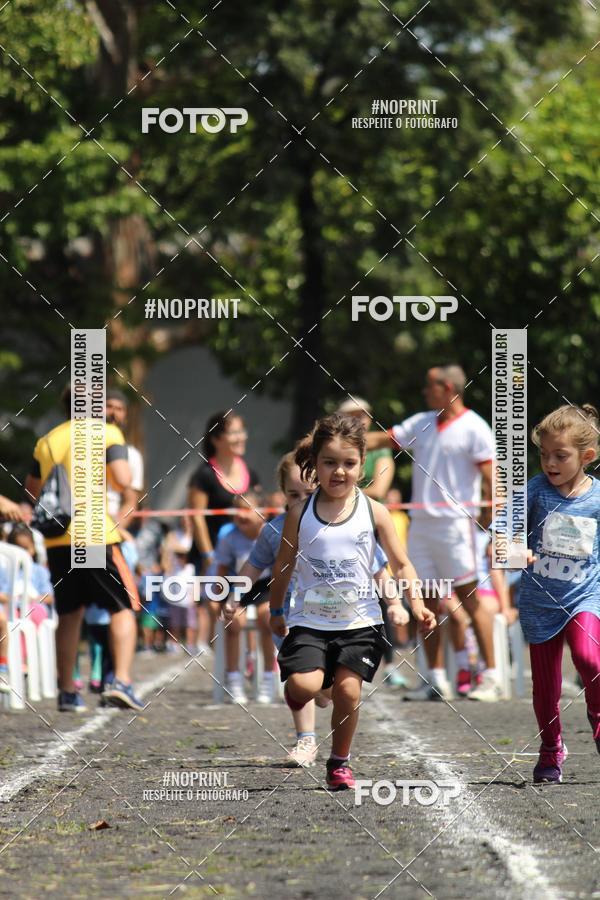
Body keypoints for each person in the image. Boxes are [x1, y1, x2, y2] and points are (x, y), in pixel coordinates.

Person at [269, 413, 435, 790]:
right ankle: (302, 690)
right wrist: (276, 610)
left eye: (349, 463)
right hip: (309, 622)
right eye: (329, 462)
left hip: (360, 623)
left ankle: (339, 762)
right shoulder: (299, 513)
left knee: (348, 691)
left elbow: (400, 563)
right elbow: (284, 565)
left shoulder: (375, 511)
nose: (339, 471)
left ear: (362, 465)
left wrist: (416, 604)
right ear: (315, 464)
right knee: (304, 687)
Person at [367, 364, 500, 701]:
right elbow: (383, 438)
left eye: (430, 386)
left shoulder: (475, 427)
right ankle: (435, 679)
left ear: (447, 388)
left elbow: (492, 481)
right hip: (422, 525)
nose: (425, 392)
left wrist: (488, 521)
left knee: (469, 598)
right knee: (425, 599)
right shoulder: (422, 422)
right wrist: (334, 439)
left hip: (455, 526)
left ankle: (492, 677)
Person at [23, 384, 143, 712]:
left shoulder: (47, 441)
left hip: (59, 540)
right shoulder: (107, 434)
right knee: (123, 607)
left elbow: (31, 490)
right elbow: (122, 478)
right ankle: (122, 681)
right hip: (95, 535)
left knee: (69, 613)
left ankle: (67, 692)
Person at [518, 404, 600, 783]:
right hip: (540, 602)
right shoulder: (535, 490)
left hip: (586, 596)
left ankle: (597, 718)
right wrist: (510, 547)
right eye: (544, 454)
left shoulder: (596, 499)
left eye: (560, 456)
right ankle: (551, 748)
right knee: (546, 688)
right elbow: (502, 527)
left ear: (587, 456)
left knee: (589, 657)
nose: (550, 463)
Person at [213, 491, 275, 703]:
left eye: (246, 510)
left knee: (267, 618)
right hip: (236, 586)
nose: (240, 515)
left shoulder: (272, 534)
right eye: (237, 510)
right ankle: (233, 678)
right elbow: (221, 570)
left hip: (265, 586)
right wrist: (218, 600)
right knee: (234, 621)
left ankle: (268, 677)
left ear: (262, 513)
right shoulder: (228, 537)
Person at [188, 412, 261, 576]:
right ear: (215, 439)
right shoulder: (204, 475)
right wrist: (209, 557)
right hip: (212, 559)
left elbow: (259, 515)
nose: (241, 437)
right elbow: (197, 518)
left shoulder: (252, 475)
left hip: (245, 558)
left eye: (242, 431)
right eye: (234, 433)